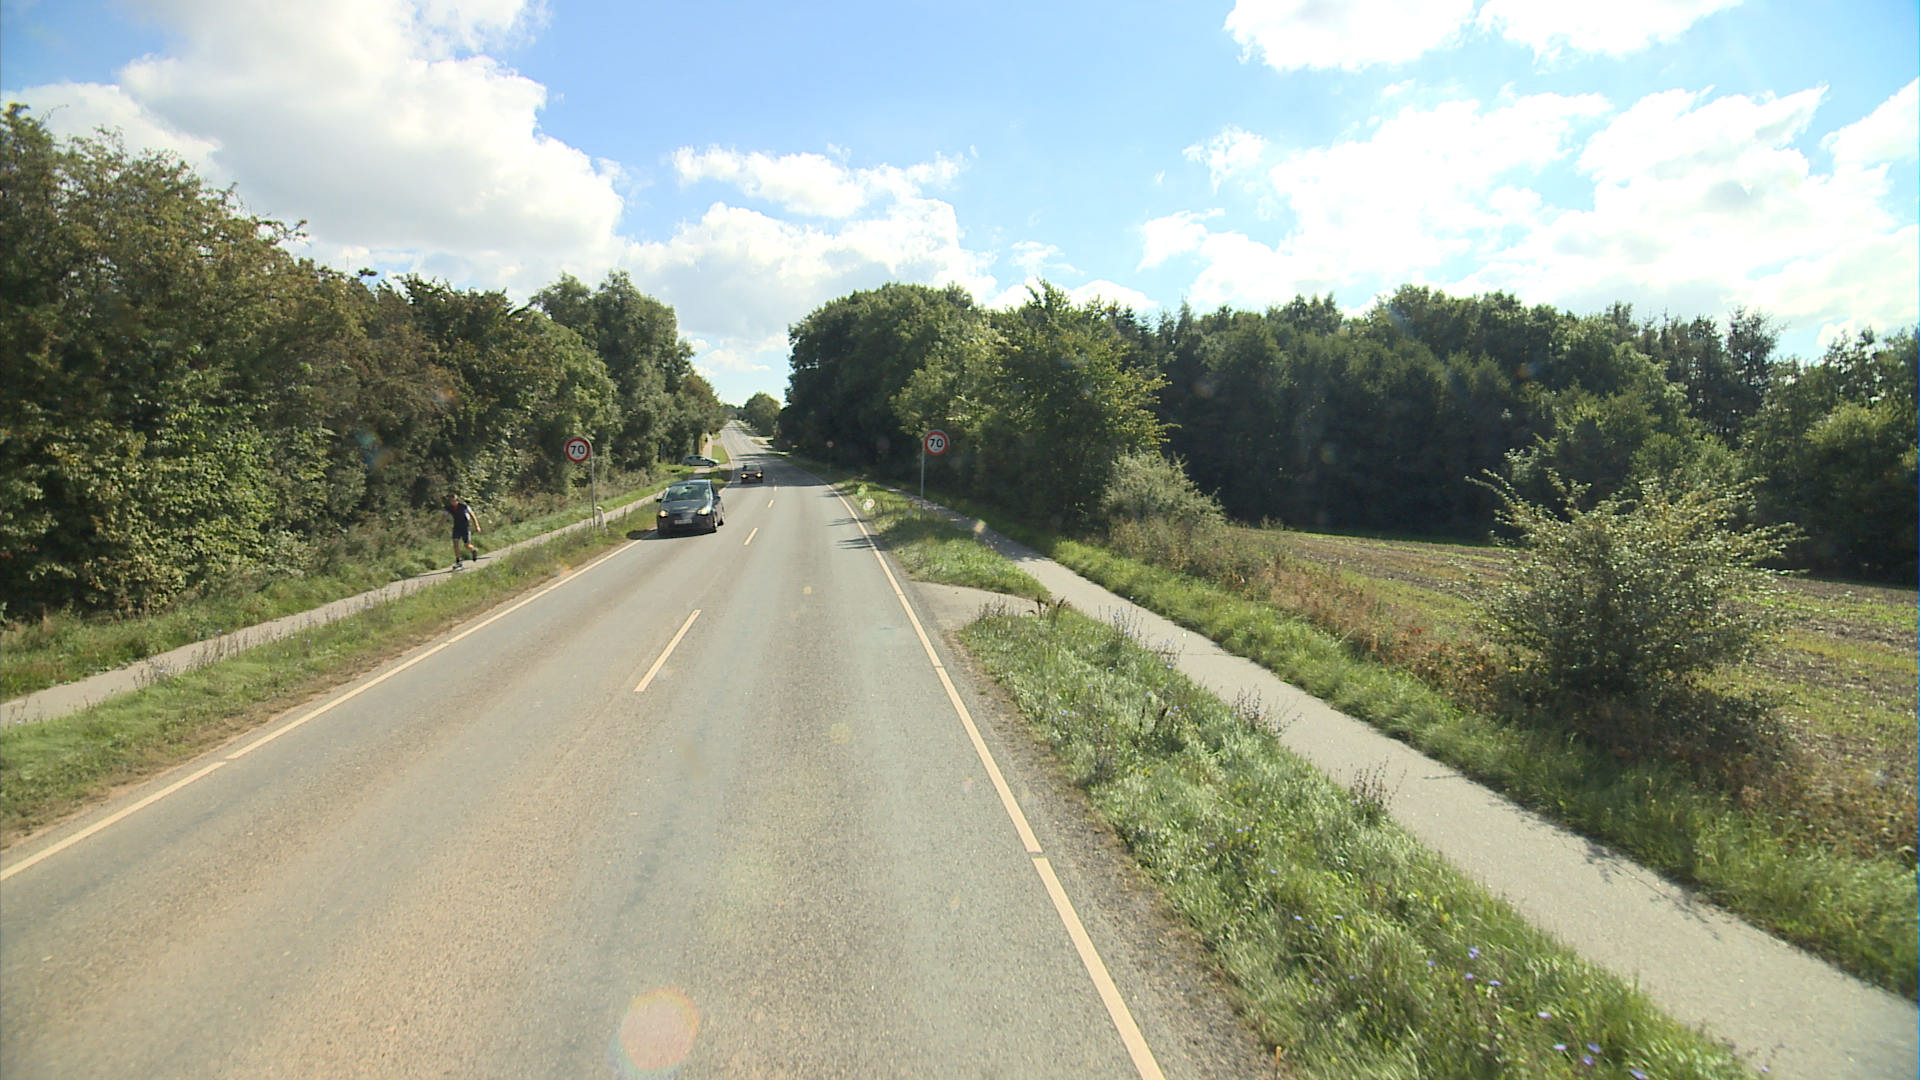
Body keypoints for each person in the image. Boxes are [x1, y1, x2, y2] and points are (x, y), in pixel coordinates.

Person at [448, 494, 479, 568]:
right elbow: (443, 518)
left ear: (457, 500)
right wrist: (437, 529)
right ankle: (459, 561)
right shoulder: (449, 508)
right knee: (455, 544)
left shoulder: (464, 506)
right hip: (456, 527)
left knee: (466, 545)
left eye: (454, 500)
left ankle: (473, 550)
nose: (452, 502)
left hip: (465, 527)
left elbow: (473, 516)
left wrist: (477, 526)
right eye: (451, 501)